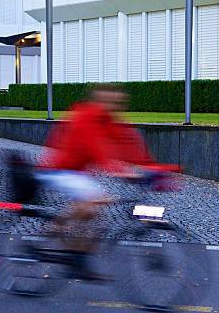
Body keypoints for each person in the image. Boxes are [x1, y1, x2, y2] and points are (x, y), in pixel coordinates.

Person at [34, 84, 167, 279]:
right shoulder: (86, 117)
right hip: (57, 170)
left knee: (93, 213)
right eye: (110, 101)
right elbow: (97, 150)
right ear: (98, 100)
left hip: (77, 173)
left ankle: (75, 255)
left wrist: (159, 170)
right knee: (96, 200)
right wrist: (123, 173)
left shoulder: (109, 121)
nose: (115, 105)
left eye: (118, 102)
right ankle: (57, 229)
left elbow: (131, 148)